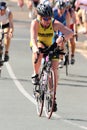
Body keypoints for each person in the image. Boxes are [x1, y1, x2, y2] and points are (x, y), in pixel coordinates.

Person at [30, 3, 73, 111]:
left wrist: (62, 38)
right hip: (39, 44)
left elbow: (70, 32)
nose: (47, 21)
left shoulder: (54, 24)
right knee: (38, 52)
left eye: (49, 18)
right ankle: (35, 74)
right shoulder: (35, 23)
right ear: (39, 17)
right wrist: (35, 49)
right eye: (45, 18)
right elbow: (33, 39)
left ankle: (53, 96)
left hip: (51, 46)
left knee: (54, 70)